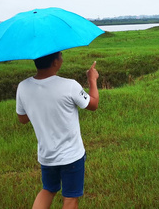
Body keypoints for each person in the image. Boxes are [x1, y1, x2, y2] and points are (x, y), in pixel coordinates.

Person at [16, 51, 99, 209]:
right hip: (72, 156)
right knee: (70, 198)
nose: (62, 58)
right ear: (54, 62)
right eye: (60, 56)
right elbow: (93, 105)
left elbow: (22, 118)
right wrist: (92, 80)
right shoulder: (70, 85)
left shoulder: (23, 86)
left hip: (46, 155)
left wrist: (38, 106)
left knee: (48, 189)